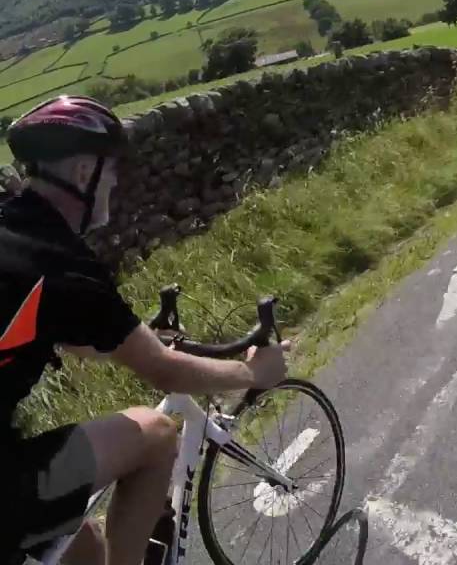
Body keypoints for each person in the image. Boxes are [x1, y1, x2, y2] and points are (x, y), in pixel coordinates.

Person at [0, 96, 291, 564]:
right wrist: (252, 374)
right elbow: (165, 373)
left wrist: (131, 337)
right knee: (156, 432)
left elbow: (61, 329)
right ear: (82, 174)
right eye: (111, 171)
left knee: (85, 547)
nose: (114, 183)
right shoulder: (63, 265)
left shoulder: (12, 235)